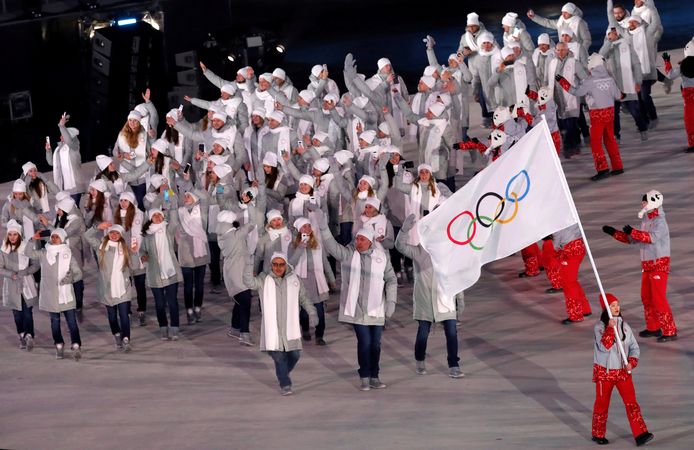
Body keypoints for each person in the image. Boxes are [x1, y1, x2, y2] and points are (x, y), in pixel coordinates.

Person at [319, 218, 397, 391]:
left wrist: (391, 301)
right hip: (356, 309)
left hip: (376, 308)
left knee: (375, 344)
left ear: (370, 242)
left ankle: (375, 376)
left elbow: (391, 279)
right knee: (365, 342)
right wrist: (324, 227)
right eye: (357, 239)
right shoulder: (348, 254)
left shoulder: (381, 257)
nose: (358, 242)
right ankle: (364, 375)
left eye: (362, 240)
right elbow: (332, 246)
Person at [602, 190, 677, 341]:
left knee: (659, 298)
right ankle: (653, 327)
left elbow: (652, 238)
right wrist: (614, 233)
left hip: (658, 265)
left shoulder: (660, 221)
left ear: (653, 202)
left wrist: (634, 232)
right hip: (648, 266)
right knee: (647, 298)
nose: (642, 205)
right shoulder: (646, 220)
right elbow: (633, 240)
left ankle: (670, 330)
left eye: (645, 202)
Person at [396, 215, 465, 378]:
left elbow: (456, 277)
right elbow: (399, 245)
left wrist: (460, 299)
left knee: (452, 333)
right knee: (423, 333)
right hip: (425, 301)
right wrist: (404, 230)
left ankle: (454, 365)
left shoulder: (449, 254)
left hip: (445, 300)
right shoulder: (419, 251)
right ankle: (420, 360)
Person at [243, 252, 318, 395]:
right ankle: (285, 383)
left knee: (295, 355)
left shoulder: (294, 280)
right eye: (275, 265)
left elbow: (304, 298)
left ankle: (282, 372)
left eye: (281, 264)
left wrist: (312, 312)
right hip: (273, 330)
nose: (278, 268)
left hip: (291, 327)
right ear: (271, 265)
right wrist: (248, 264)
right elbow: (248, 282)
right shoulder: (264, 279)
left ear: (286, 265)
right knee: (279, 356)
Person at [591, 293, 654, 446]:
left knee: (631, 403)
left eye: (617, 304)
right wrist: (610, 329)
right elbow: (604, 346)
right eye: (612, 305)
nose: (616, 307)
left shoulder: (625, 327)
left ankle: (641, 433)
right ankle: (598, 434)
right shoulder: (599, 327)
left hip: (623, 373)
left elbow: (634, 347)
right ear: (606, 308)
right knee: (602, 404)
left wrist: (631, 362)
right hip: (605, 374)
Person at [557, 53, 624, 181]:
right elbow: (618, 95)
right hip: (610, 113)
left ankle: (603, 169)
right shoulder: (609, 79)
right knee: (610, 139)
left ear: (591, 65)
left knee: (596, 143)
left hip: (597, 114)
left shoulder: (590, 81)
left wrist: (563, 82)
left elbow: (576, 92)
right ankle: (617, 166)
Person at [25, 228, 83, 360]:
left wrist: (70, 278)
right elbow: (28, 252)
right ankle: (58, 344)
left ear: (62, 239)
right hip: (50, 295)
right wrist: (32, 239)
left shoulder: (68, 254)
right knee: (55, 322)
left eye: (57, 237)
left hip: (66, 295)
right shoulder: (44, 253)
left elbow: (78, 273)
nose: (54, 239)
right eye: (53, 236)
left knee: (72, 322)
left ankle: (76, 345)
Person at [85, 224, 133, 352]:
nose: (114, 235)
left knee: (124, 315)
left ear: (121, 235)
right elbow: (87, 236)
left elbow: (134, 266)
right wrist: (97, 227)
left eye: (117, 233)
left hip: (123, 287)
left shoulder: (126, 249)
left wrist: (138, 254)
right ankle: (117, 335)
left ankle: (126, 339)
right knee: (112, 315)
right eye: (112, 233)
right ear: (108, 234)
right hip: (107, 288)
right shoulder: (101, 247)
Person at [289, 217, 335, 345]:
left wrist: (331, 278)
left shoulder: (318, 244)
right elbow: (291, 263)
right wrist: (300, 247)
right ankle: (305, 328)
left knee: (320, 310)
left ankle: (320, 335)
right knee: (304, 311)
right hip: (302, 281)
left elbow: (325, 263)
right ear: (299, 230)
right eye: (304, 227)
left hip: (317, 280)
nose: (308, 229)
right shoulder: (293, 245)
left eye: (309, 226)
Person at [140, 209, 183, 341]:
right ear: (150, 218)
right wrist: (144, 256)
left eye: (159, 215)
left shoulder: (167, 230)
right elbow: (142, 250)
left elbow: (175, 218)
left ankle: (175, 328)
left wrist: (168, 195)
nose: (157, 217)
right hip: (155, 273)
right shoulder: (147, 235)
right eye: (154, 215)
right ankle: (163, 328)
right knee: (159, 304)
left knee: (172, 302)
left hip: (170, 272)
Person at [216, 211, 256, 345]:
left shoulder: (222, 235)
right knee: (245, 301)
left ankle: (234, 328)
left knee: (240, 299)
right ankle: (244, 334)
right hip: (239, 271)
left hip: (231, 270)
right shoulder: (237, 235)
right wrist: (250, 204)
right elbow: (253, 222)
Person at [0, 220, 39, 351]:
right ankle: (21, 334)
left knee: (27, 311)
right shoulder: (3, 249)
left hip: (26, 283)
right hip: (11, 284)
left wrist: (25, 272)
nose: (12, 237)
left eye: (14, 234)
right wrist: (11, 274)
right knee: (17, 313)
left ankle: (29, 336)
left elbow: (36, 264)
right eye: (10, 234)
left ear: (19, 235)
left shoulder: (26, 247)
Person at [175, 190, 210, 325]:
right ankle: (189, 310)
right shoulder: (180, 212)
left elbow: (205, 198)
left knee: (199, 286)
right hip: (186, 255)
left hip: (201, 254)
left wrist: (190, 186)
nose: (186, 198)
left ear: (195, 198)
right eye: (184, 196)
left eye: (188, 196)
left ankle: (197, 307)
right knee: (188, 285)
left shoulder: (202, 212)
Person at [114, 192, 148, 326]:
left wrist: (143, 249)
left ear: (131, 202)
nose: (122, 203)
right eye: (121, 201)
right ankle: (126, 311)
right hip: (123, 257)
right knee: (126, 285)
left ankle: (142, 310)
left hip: (137, 255)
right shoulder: (116, 216)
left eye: (125, 201)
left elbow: (145, 233)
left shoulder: (140, 215)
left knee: (140, 285)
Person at [554, 224, 592, 324]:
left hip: (569, 249)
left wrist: (555, 247)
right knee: (572, 280)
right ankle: (584, 308)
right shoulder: (568, 211)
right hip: (577, 245)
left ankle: (576, 314)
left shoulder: (557, 215)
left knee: (568, 283)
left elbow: (557, 234)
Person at [45, 113, 84, 205]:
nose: (60, 136)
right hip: (63, 187)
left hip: (75, 186)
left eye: (63, 134)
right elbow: (51, 163)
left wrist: (61, 126)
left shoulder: (74, 146)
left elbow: (69, 141)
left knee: (73, 209)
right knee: (67, 212)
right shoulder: (59, 150)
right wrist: (49, 151)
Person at [663, 38, 694, 152]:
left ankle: (692, 143)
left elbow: (670, 75)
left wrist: (667, 61)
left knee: (690, 121)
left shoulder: (683, 66)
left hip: (689, 99)